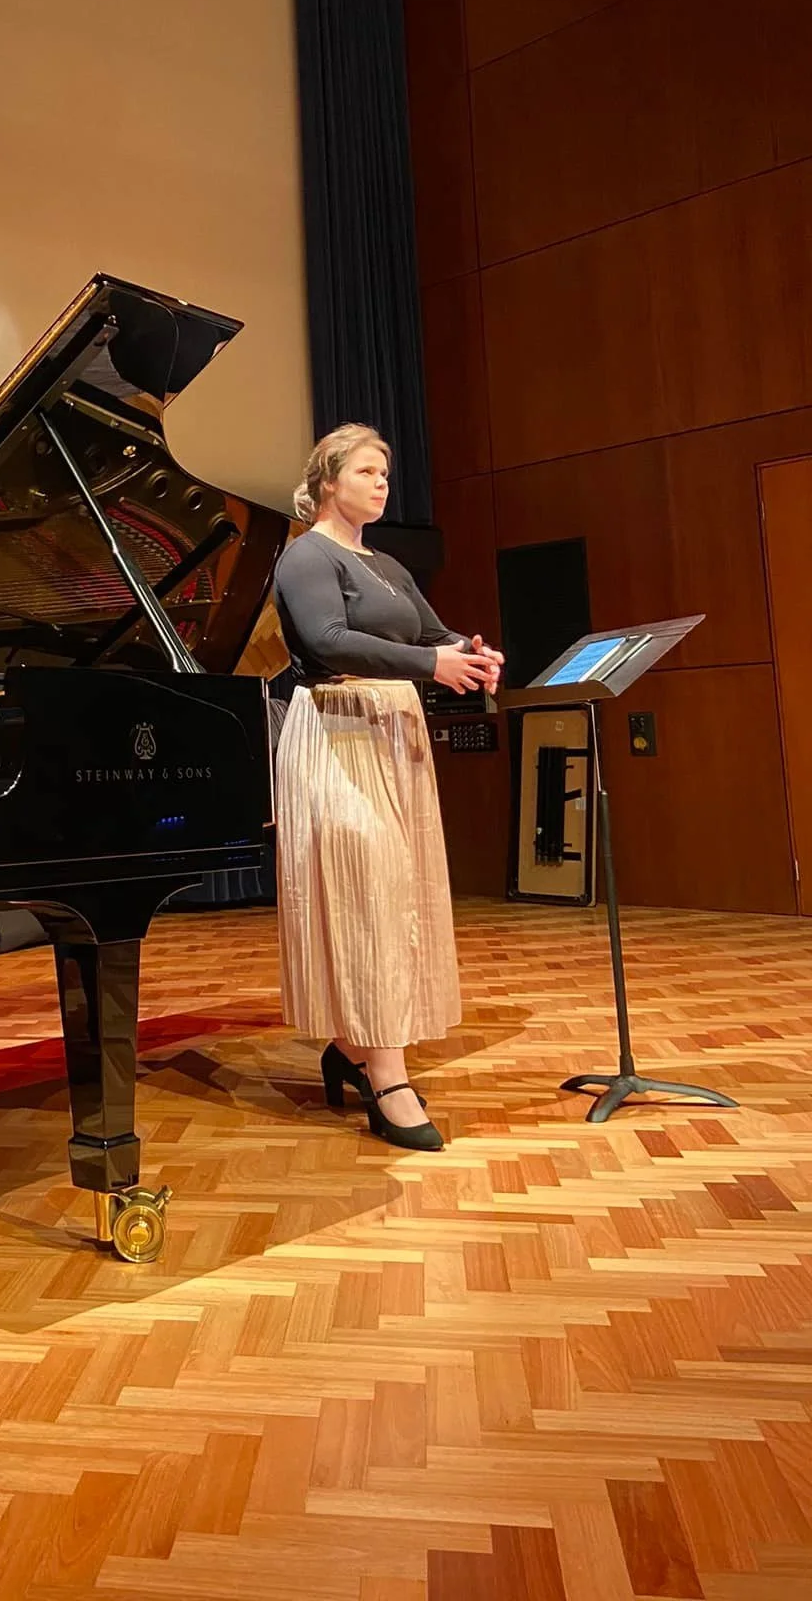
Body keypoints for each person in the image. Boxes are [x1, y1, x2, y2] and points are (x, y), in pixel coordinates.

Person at [272, 426, 503, 1151]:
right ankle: (388, 1077)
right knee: (365, 889)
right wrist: (430, 663)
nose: (382, 484)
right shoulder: (306, 555)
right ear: (328, 479)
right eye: (368, 472)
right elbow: (328, 640)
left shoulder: (389, 564)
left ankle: (352, 1049)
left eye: (386, 473)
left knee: (399, 890)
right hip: (336, 727)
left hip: (394, 734)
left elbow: (434, 635)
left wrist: (473, 655)